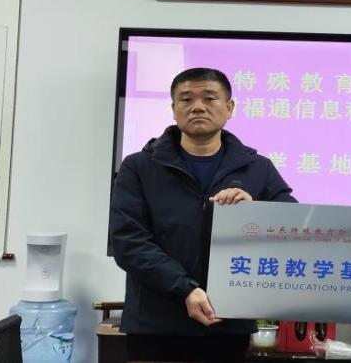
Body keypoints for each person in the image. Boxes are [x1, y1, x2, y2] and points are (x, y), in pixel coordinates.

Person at [110, 67, 296, 362]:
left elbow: (293, 226)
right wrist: (185, 290)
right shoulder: (139, 167)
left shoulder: (257, 168)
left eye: (209, 98)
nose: (197, 106)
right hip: (156, 324)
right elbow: (127, 242)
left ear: (229, 108)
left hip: (228, 323)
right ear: (173, 109)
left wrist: (255, 211)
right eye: (186, 99)